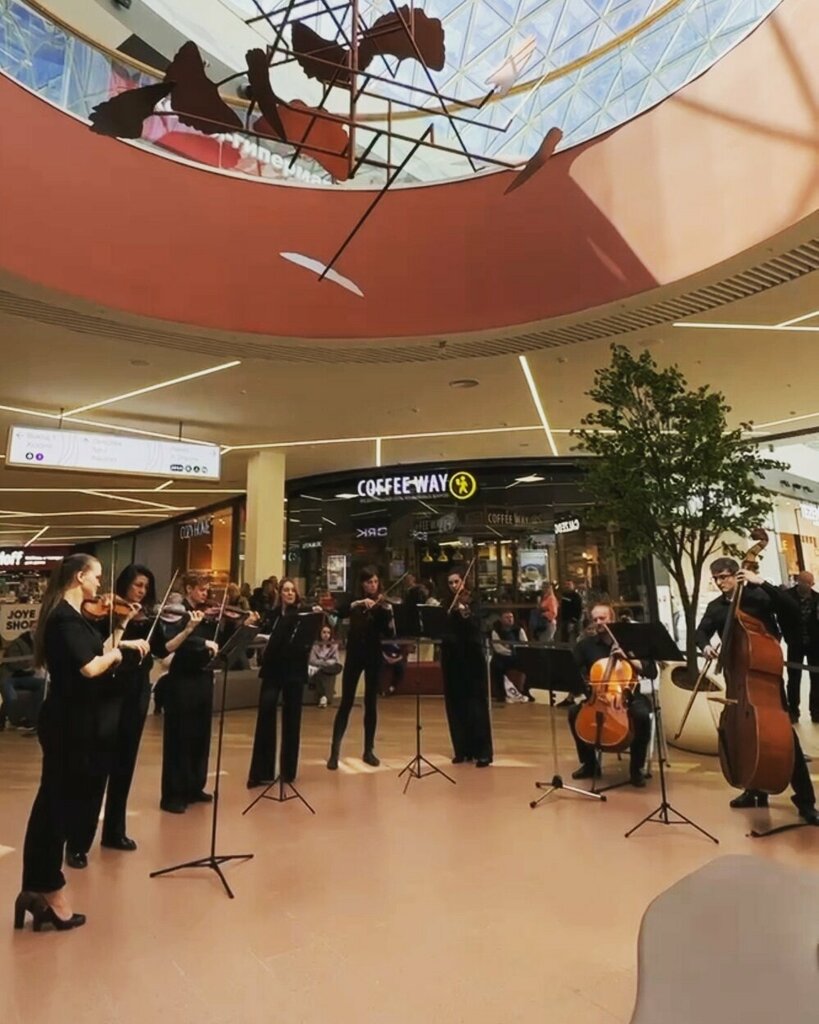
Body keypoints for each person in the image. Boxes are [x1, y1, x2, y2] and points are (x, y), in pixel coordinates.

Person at [15, 553, 150, 933]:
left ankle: (37, 889)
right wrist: (118, 653)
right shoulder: (62, 618)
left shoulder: (74, 619)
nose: (100, 586)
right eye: (96, 577)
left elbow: (98, 650)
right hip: (67, 724)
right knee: (54, 809)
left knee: (57, 804)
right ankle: (47, 890)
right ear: (79, 578)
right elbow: (90, 667)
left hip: (78, 722)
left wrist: (122, 627)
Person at [695, 557, 818, 824]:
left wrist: (762, 582)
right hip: (738, 681)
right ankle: (754, 791)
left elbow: (791, 608)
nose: (720, 582)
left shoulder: (757, 596)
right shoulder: (716, 608)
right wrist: (705, 646)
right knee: (744, 736)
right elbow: (701, 632)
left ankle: (806, 801)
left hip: (766, 683)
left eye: (725, 576)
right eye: (716, 578)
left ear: (737, 574)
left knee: (787, 741)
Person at [567, 602, 655, 787]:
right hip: (597, 696)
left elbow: (651, 671)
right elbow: (572, 671)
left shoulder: (631, 642)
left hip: (628, 697)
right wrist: (586, 691)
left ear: (612, 620)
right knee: (574, 713)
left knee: (641, 716)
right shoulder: (586, 645)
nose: (598, 622)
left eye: (603, 618)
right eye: (595, 619)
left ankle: (636, 769)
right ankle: (590, 764)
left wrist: (629, 658)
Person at [159, 573, 220, 814]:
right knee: (180, 737)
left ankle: (195, 786)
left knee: (200, 735)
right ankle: (174, 794)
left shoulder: (206, 613)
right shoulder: (177, 612)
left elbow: (217, 640)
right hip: (182, 680)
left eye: (207, 589)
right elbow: (175, 641)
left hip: (203, 677)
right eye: (202, 589)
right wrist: (202, 643)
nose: (206, 594)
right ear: (189, 589)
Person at [326, 566, 394, 770]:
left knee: (371, 703)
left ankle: (369, 750)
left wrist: (388, 614)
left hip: (373, 656)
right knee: (346, 702)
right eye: (368, 582)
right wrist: (358, 603)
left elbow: (388, 633)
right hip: (355, 655)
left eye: (374, 582)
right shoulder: (354, 602)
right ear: (362, 584)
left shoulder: (382, 605)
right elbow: (338, 612)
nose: (372, 586)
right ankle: (334, 751)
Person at [248, 579, 314, 786]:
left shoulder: (302, 616)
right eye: (285, 590)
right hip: (273, 670)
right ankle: (262, 772)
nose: (289, 593)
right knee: (266, 714)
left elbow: (307, 640)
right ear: (280, 593)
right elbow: (258, 637)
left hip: (294, 670)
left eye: (292, 590)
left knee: (292, 720)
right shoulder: (272, 615)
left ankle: (288, 771)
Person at [441, 571, 493, 767]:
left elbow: (480, 625)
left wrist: (465, 610)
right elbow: (440, 627)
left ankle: (483, 752)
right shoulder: (446, 603)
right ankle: (462, 750)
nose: (454, 586)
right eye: (450, 583)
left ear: (464, 581)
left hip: (472, 656)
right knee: (455, 704)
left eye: (457, 581)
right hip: (452, 657)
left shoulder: (475, 600)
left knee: (476, 705)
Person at [778, 571, 819, 723]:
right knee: (794, 678)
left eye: (810, 584)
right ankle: (793, 711)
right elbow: (781, 617)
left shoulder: (816, 598)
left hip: (815, 644)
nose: (807, 587)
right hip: (795, 643)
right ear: (798, 582)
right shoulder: (787, 597)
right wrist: (788, 637)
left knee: (816, 679)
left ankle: (816, 712)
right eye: (804, 583)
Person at [0, 630, 45, 732]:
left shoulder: (40, 645)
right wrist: (30, 663)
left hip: (27, 676)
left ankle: (32, 718)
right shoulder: (18, 643)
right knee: (9, 694)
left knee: (44, 685)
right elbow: (13, 664)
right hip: (9, 676)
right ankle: (9, 718)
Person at [489, 611, 531, 703]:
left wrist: (514, 650)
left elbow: (525, 644)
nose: (509, 619)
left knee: (529, 664)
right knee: (495, 666)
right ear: (501, 619)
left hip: (517, 656)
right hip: (502, 657)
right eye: (506, 617)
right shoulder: (496, 631)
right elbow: (498, 648)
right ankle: (501, 694)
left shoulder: (519, 630)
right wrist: (511, 651)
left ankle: (526, 691)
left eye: (511, 617)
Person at [309, 624, 341, 708]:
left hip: (331, 666)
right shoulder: (315, 644)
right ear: (320, 633)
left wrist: (324, 663)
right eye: (324, 632)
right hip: (320, 666)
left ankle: (325, 695)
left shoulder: (334, 644)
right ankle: (323, 697)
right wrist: (322, 663)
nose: (326, 635)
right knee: (319, 671)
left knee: (337, 666)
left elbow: (335, 660)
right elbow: (312, 660)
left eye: (328, 633)